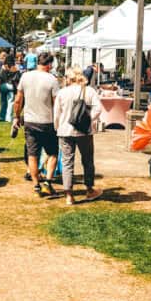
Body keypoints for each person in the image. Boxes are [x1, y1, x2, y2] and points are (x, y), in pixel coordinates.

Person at [54, 67, 103, 207]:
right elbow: (98, 109)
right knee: (87, 160)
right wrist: (88, 120)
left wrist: (57, 127)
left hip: (65, 130)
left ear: (69, 78)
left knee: (67, 162)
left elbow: (57, 113)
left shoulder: (62, 92)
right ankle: (89, 189)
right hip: (84, 131)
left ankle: (69, 195)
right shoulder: (89, 91)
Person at [14, 51, 59, 196]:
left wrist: (17, 116)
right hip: (47, 121)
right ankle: (48, 182)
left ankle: (36, 185)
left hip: (30, 120)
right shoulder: (52, 79)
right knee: (52, 153)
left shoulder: (25, 76)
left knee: (33, 154)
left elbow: (18, 99)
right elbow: (56, 103)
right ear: (49, 64)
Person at [0, 55, 19, 122]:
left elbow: (0, 76)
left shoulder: (3, 67)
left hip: (3, 85)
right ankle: (9, 118)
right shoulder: (15, 68)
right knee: (11, 102)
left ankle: (2, 116)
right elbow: (17, 78)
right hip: (11, 86)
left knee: (3, 101)